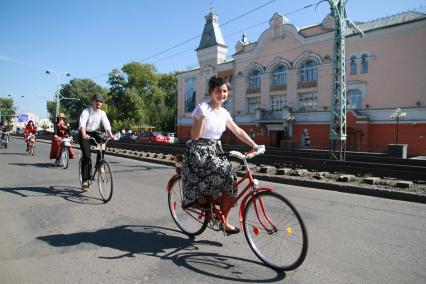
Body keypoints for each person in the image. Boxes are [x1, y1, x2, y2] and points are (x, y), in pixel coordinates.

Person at [182, 76, 265, 235]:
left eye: (225, 91)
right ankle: (200, 198)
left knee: (232, 182)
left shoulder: (225, 112)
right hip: (199, 150)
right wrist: (201, 118)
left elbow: (238, 131)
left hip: (215, 150)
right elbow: (194, 136)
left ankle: (223, 221)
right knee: (224, 174)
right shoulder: (202, 108)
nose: (222, 94)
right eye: (218, 91)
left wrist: (254, 145)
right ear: (211, 92)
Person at [78, 93, 115, 192]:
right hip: (84, 133)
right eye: (97, 101)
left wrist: (111, 135)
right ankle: (85, 181)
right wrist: (84, 134)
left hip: (94, 133)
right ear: (93, 102)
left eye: (101, 102)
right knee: (87, 156)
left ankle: (99, 164)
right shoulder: (86, 111)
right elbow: (82, 125)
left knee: (102, 143)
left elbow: (106, 124)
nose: (99, 103)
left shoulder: (102, 113)